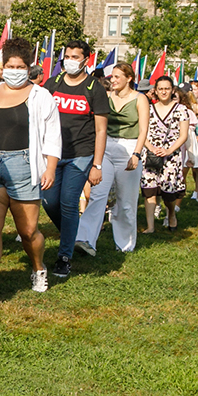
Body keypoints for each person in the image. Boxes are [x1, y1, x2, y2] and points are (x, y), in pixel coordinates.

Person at [0, 38, 61, 299]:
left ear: (29, 67)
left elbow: (52, 135)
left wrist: (50, 167)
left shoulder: (41, 96)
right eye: (10, 65)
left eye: (20, 66)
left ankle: (38, 267)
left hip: (23, 166)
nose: (15, 71)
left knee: (27, 230)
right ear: (2, 66)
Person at [39, 40, 107, 278]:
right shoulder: (53, 83)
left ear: (86, 60)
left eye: (75, 57)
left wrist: (97, 165)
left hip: (81, 154)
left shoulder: (94, 88)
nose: (70, 60)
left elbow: (100, 130)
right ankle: (72, 234)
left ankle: (64, 256)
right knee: (49, 200)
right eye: (67, 56)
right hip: (52, 154)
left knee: (69, 202)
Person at [77, 62, 149, 254]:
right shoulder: (106, 97)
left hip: (129, 147)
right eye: (112, 77)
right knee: (97, 195)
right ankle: (84, 239)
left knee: (126, 201)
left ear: (129, 78)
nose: (113, 80)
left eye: (117, 77)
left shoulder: (140, 99)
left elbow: (143, 130)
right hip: (106, 147)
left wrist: (136, 153)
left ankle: (125, 245)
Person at [139, 77, 192, 232]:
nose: (163, 92)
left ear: (172, 90)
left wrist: (168, 150)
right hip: (150, 155)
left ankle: (171, 214)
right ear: (155, 90)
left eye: (167, 88)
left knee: (168, 192)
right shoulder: (148, 109)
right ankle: (150, 226)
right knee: (149, 190)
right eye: (160, 88)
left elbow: (183, 135)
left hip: (171, 156)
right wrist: (150, 147)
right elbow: (142, 131)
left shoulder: (181, 109)